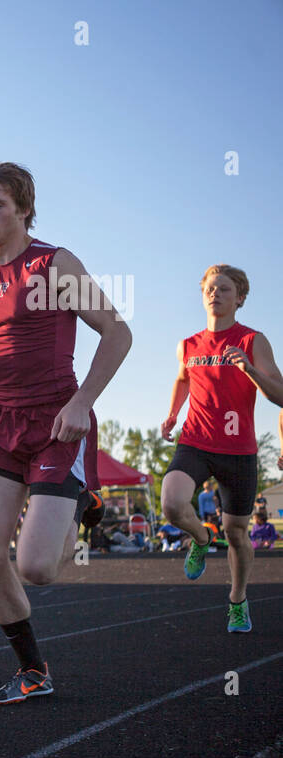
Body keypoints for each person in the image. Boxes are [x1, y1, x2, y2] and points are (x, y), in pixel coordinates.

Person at [0, 162, 131, 705]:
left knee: (37, 568)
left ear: (22, 209)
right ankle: (33, 671)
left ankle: (76, 501)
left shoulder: (53, 263)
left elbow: (117, 330)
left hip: (58, 420)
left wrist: (83, 402)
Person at [159, 264, 283, 632]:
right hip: (195, 441)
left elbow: (279, 395)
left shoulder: (252, 340)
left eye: (224, 289)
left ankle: (237, 599)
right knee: (170, 503)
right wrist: (171, 414)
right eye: (210, 288)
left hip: (239, 451)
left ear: (239, 298)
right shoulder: (188, 345)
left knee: (237, 533)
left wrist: (250, 371)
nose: (215, 294)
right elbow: (183, 378)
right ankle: (200, 536)